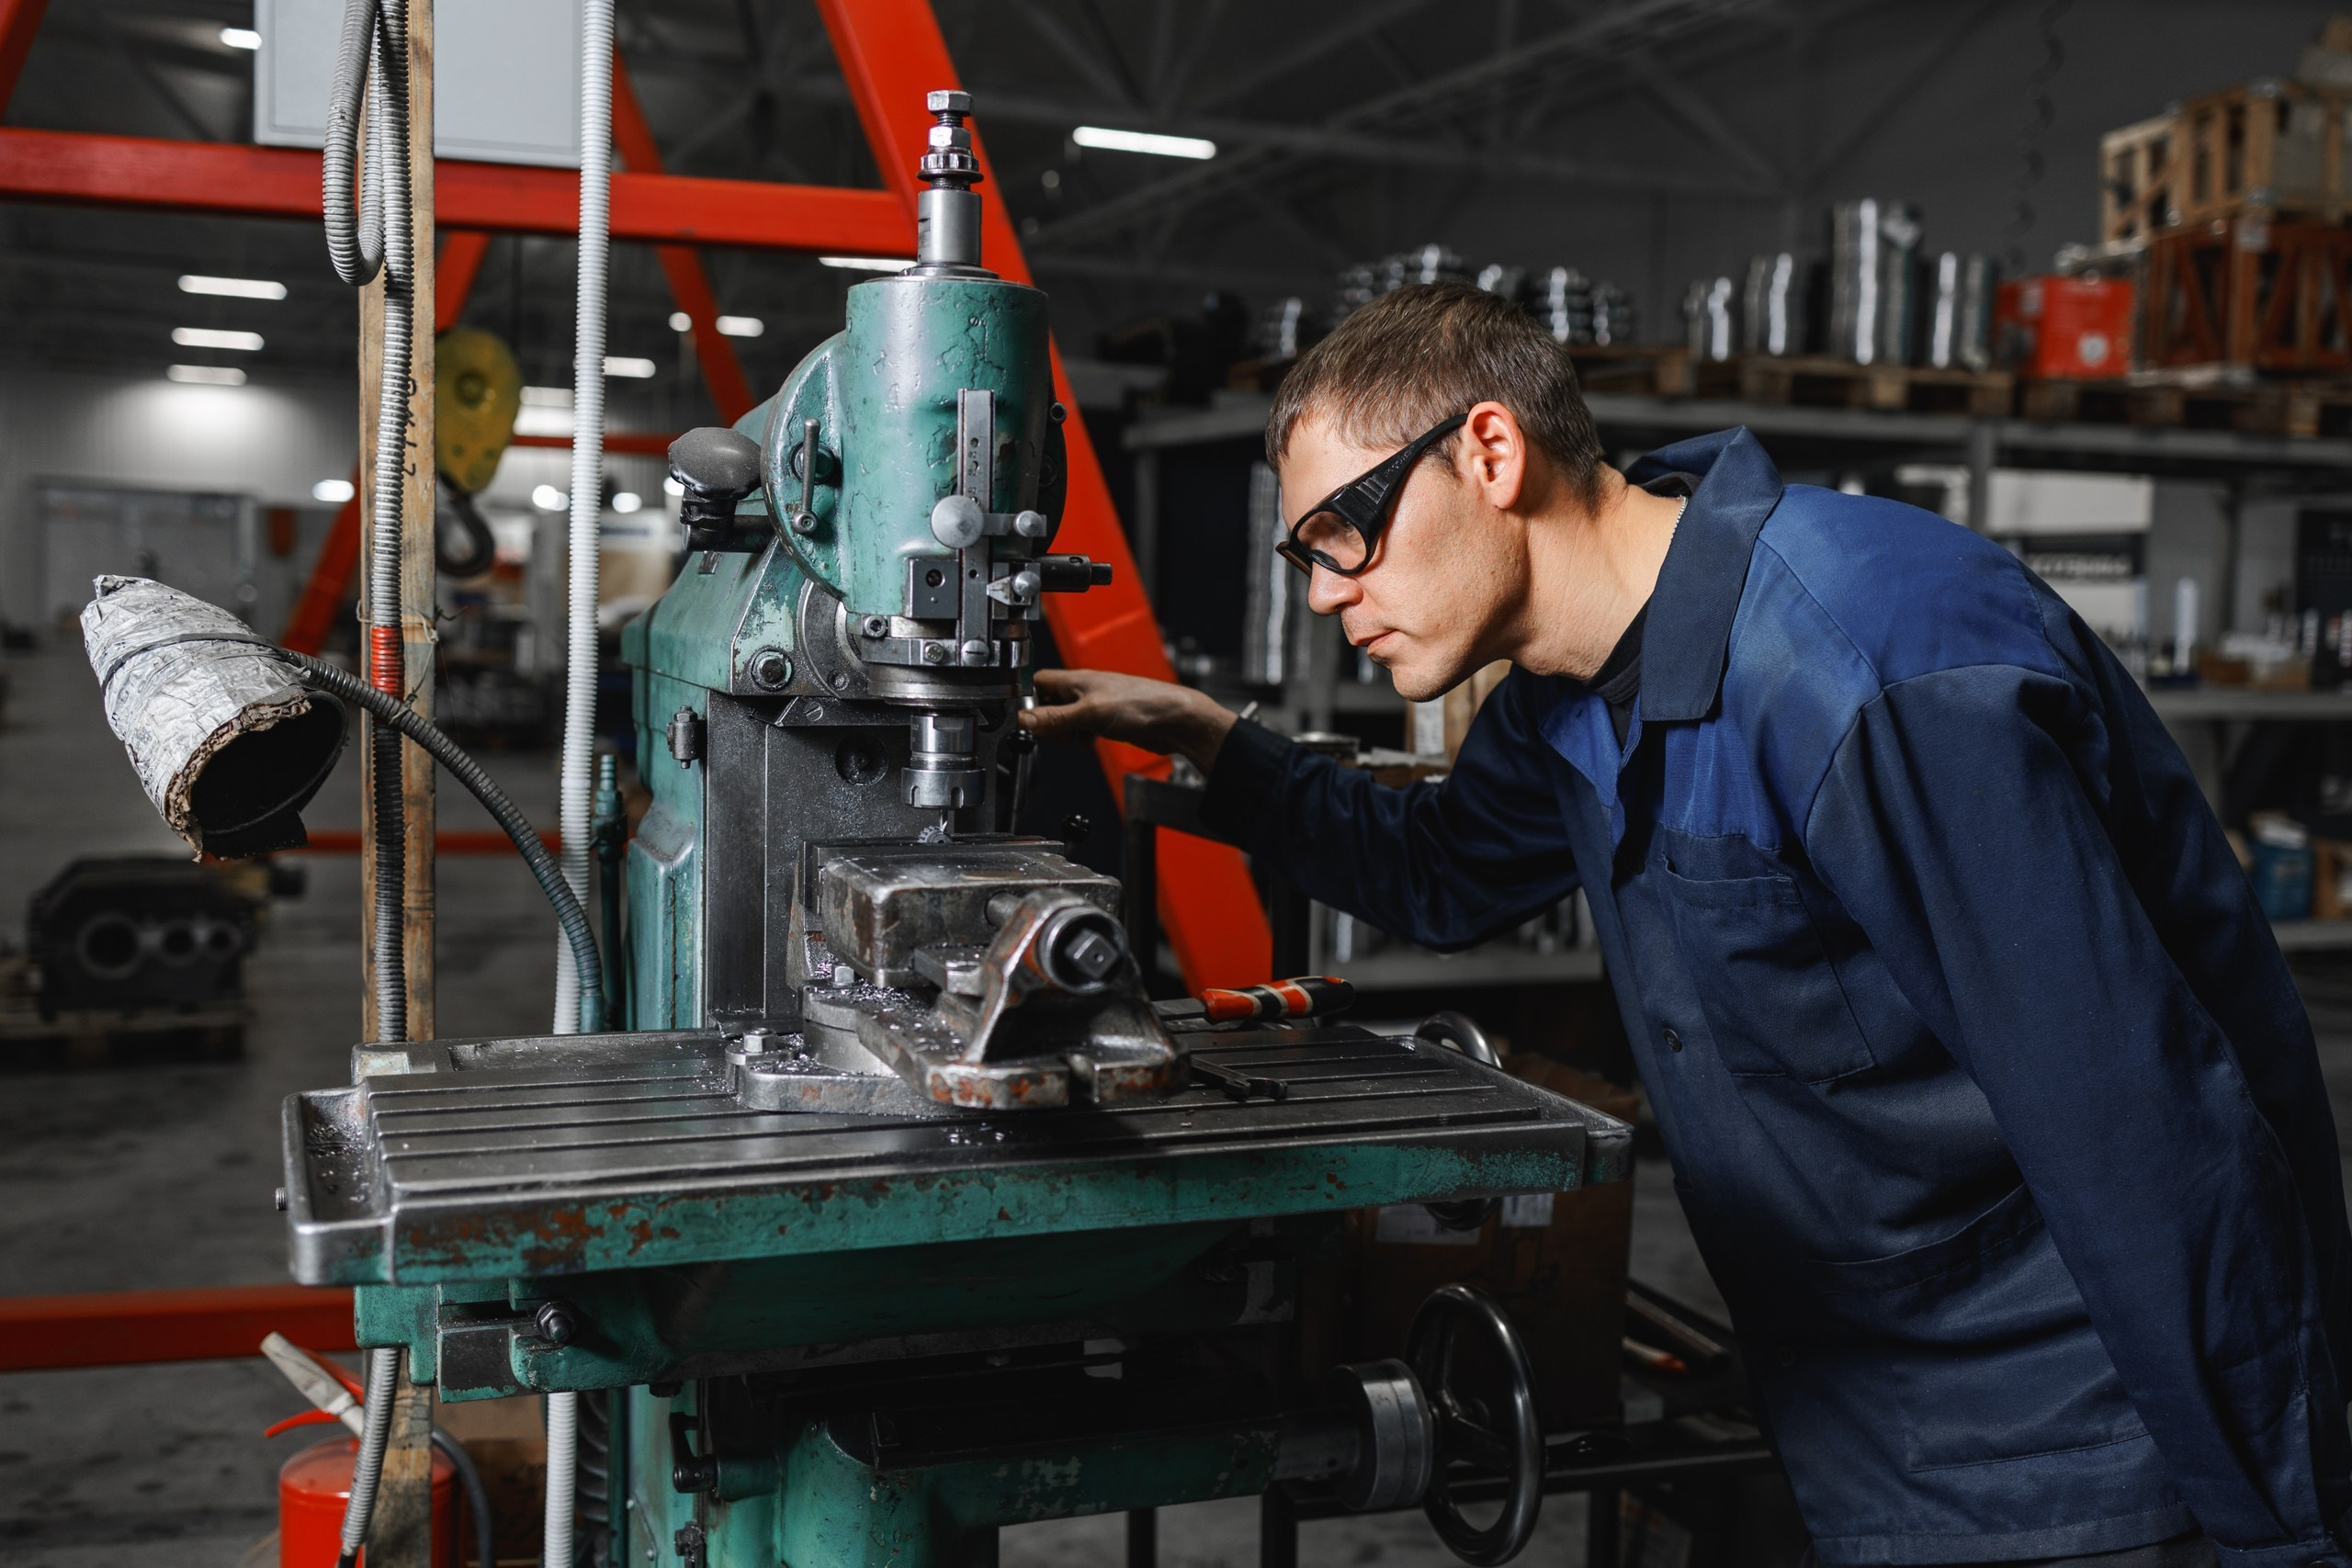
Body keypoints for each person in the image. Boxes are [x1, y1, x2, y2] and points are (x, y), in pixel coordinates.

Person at [1022, 282, 2352, 1568]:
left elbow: (2141, 1128)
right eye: (1301, 554)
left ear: (1490, 450)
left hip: (2082, 1445)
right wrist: (1204, 733)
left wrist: (2276, 1526)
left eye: (1343, 531)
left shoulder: (1864, 666)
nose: (1323, 590)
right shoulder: (1565, 686)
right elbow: (1439, 874)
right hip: (1858, 1409)